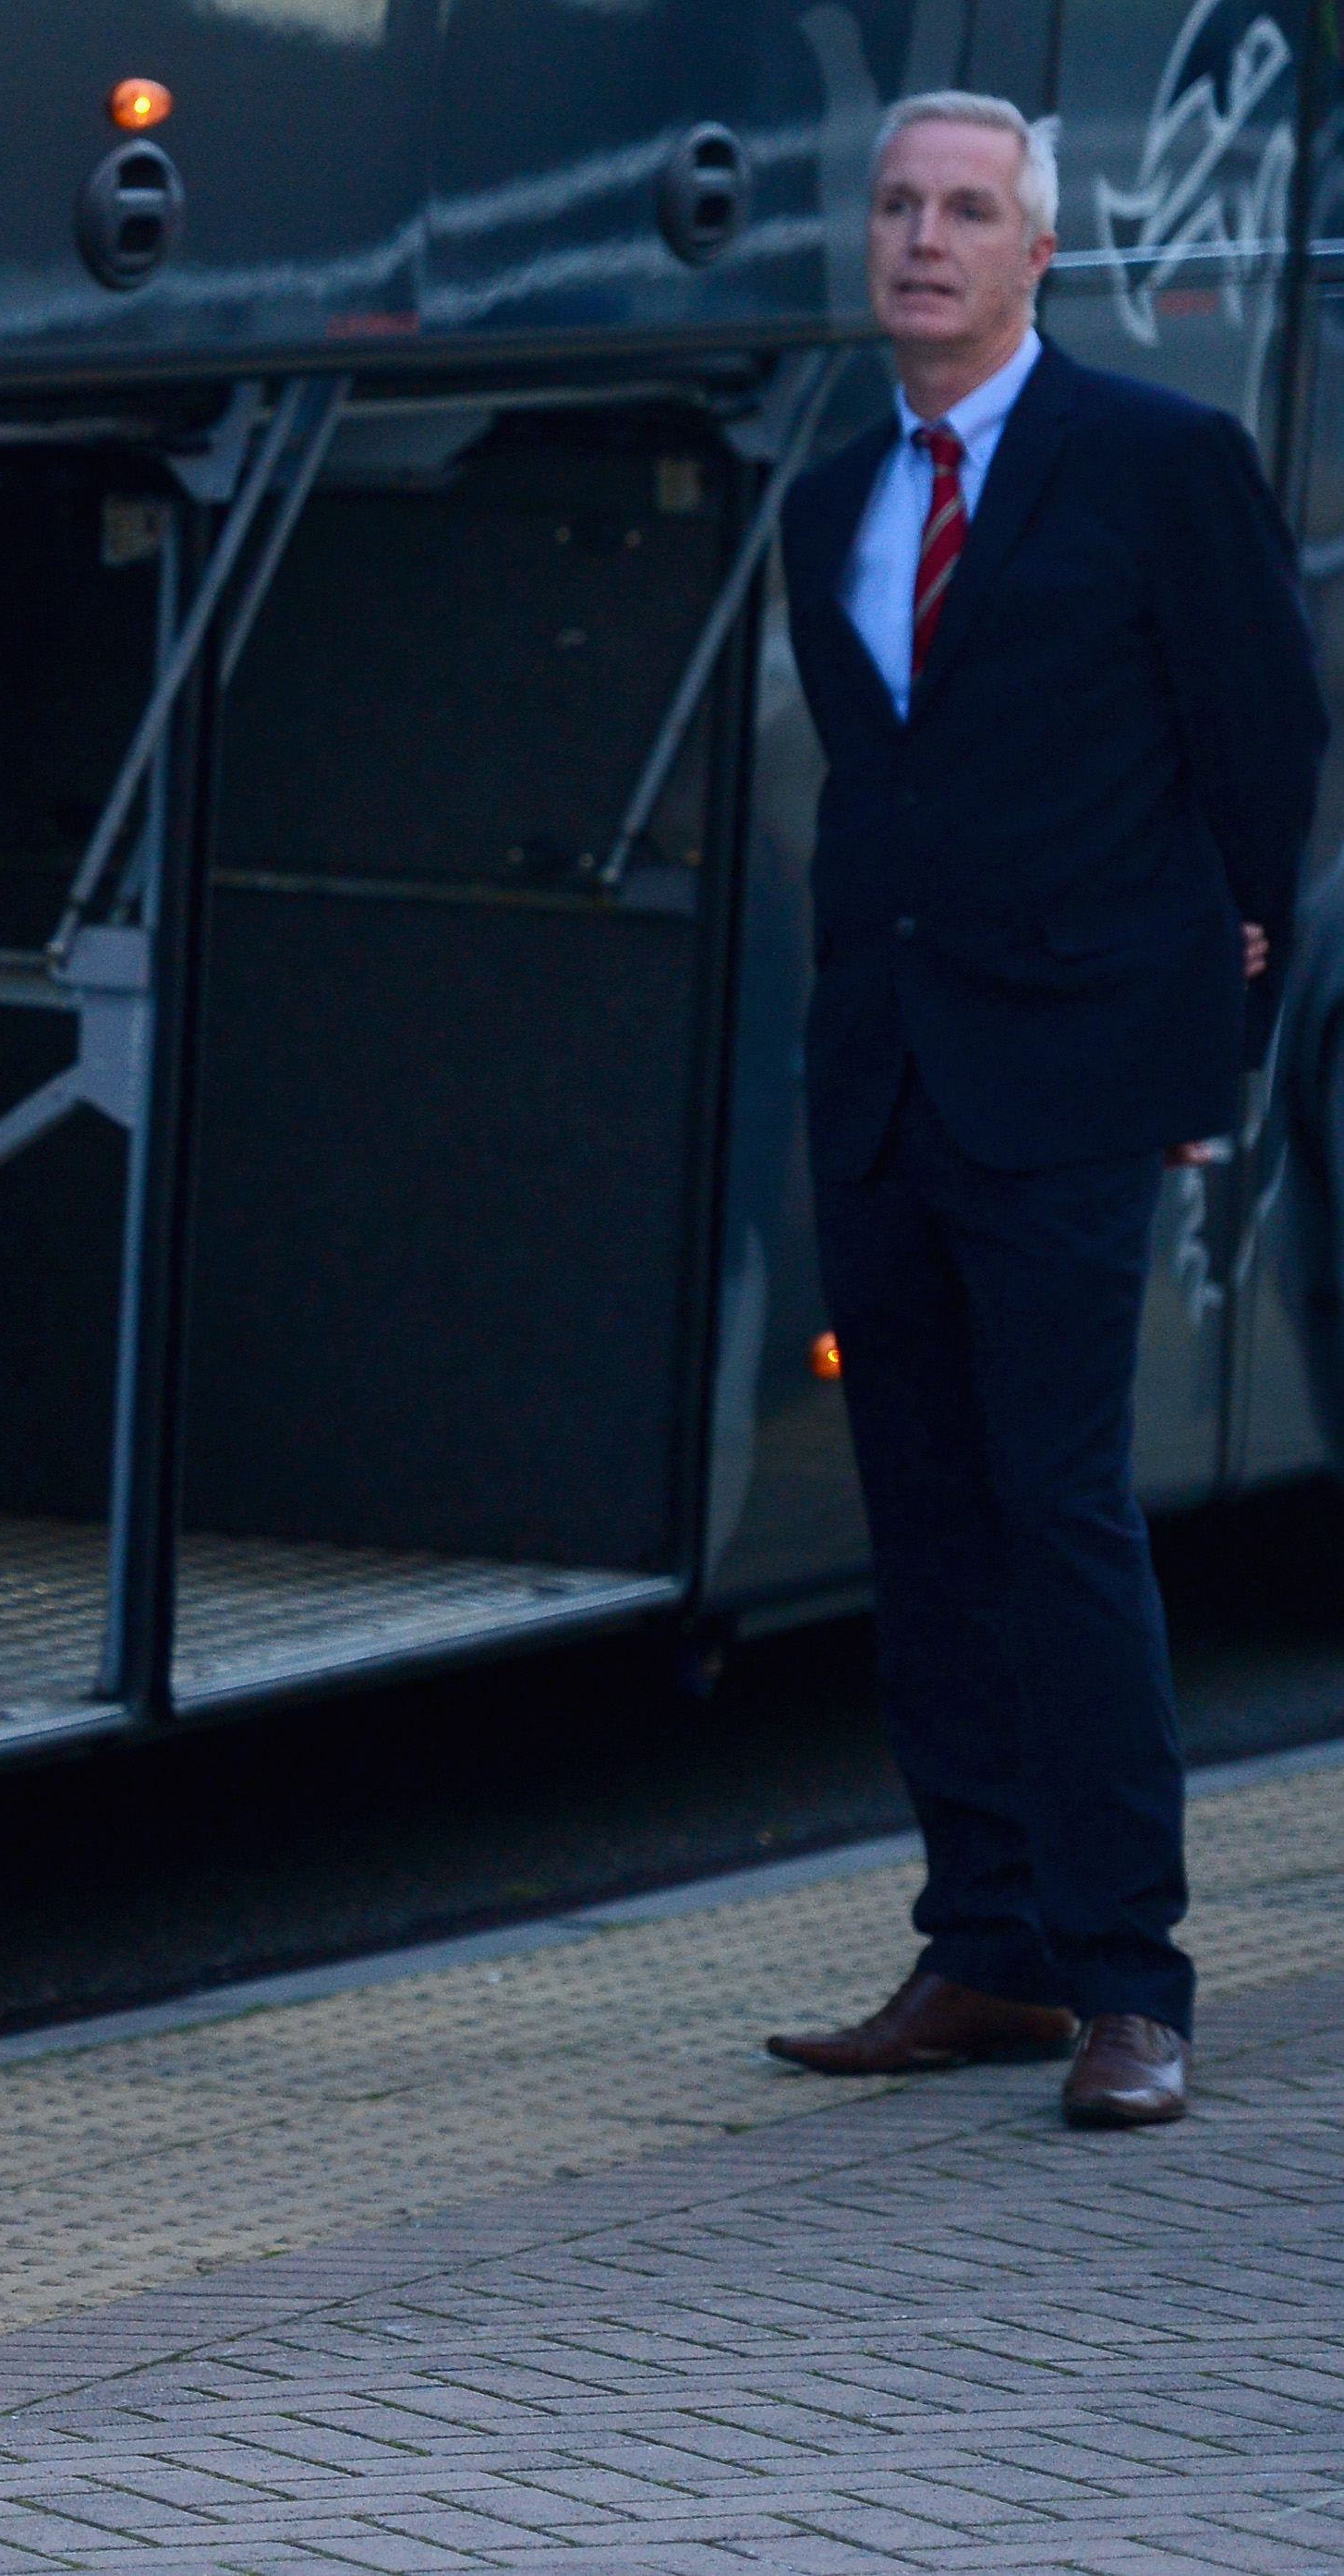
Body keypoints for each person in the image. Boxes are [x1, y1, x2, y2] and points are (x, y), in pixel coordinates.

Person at [764, 92, 1322, 2126]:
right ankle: (985, 1941)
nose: (922, 238)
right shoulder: (836, 495)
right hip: (892, 1082)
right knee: (922, 1521)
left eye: (967, 210)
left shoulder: (1160, 465)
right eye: (899, 206)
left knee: (1064, 1513)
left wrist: (1205, 1050)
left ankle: (1131, 1981)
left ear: (1037, 254)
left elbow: (1264, 754)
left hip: (1079, 1081)